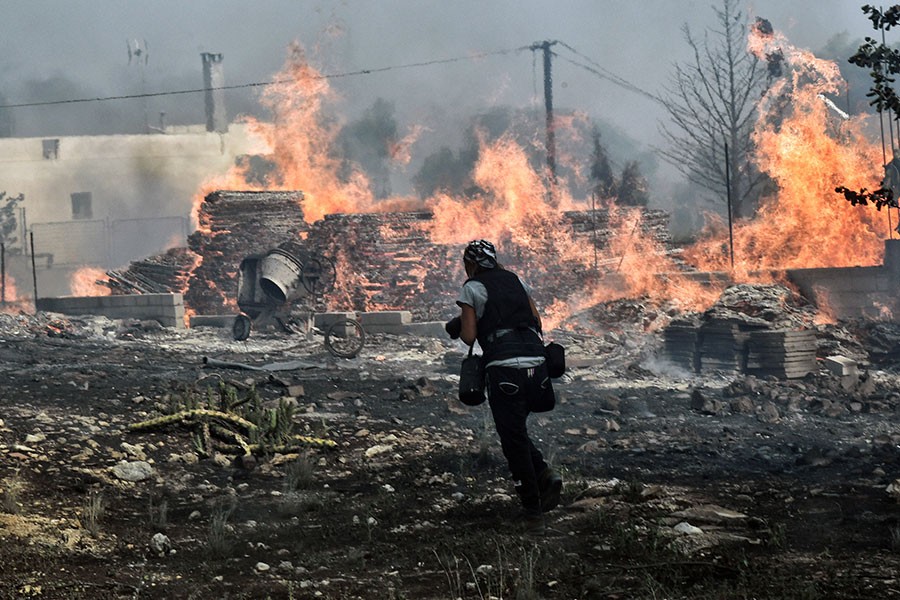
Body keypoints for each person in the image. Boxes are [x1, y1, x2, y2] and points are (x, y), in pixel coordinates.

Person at [445, 239, 563, 534]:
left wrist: (464, 321)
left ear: (470, 264)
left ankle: (533, 511)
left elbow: (470, 337)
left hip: (504, 370)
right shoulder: (516, 280)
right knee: (516, 431)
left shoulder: (471, 288)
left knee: (511, 441)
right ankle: (545, 475)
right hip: (538, 366)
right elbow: (535, 320)